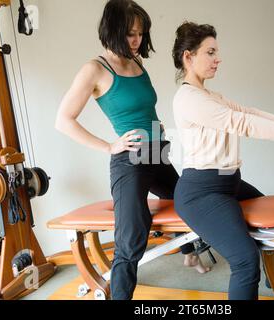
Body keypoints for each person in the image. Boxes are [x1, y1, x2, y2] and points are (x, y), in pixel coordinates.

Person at [55, 1, 209, 300]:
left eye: (140, 33)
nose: (136, 40)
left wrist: (156, 125)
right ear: (112, 32)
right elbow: (63, 120)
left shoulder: (138, 62)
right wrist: (109, 146)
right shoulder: (94, 69)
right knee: (132, 234)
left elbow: (142, 107)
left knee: (185, 198)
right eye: (129, 34)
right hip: (130, 159)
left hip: (156, 149)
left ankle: (189, 253)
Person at [171, 22, 274, 300]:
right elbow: (241, 122)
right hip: (201, 193)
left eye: (216, 52)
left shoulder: (211, 96)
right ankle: (264, 276)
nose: (217, 59)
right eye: (210, 52)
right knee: (244, 260)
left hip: (228, 184)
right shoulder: (189, 98)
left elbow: (250, 111)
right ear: (189, 56)